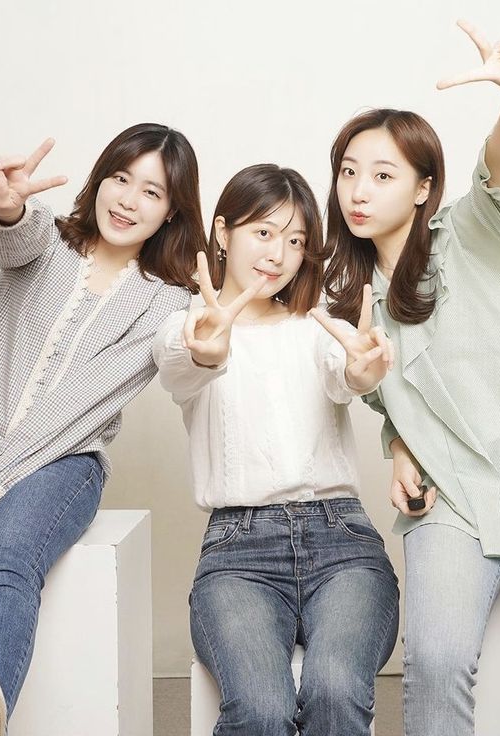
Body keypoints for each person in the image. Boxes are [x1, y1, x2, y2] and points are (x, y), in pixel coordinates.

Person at [323, 20, 500, 735]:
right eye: (349, 170)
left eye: (384, 174)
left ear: (425, 188)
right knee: (433, 669)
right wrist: (396, 441)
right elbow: (402, 403)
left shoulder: (481, 228)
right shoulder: (352, 308)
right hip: (453, 495)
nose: (359, 190)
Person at [0, 123, 206, 736]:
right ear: (99, 180)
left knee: (6, 563)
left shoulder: (165, 303)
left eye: (152, 192)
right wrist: (6, 208)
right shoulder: (48, 243)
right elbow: (13, 236)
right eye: (120, 177)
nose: (129, 199)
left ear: (171, 213)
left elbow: (76, 408)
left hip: (62, 462)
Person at [154, 163, 399, 735]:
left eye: (295, 241)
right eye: (263, 232)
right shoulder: (186, 325)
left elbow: (348, 374)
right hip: (238, 552)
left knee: (335, 689)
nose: (278, 253)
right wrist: (209, 349)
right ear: (222, 232)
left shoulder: (320, 326)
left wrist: (364, 371)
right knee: (261, 708)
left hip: (343, 543)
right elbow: (183, 367)